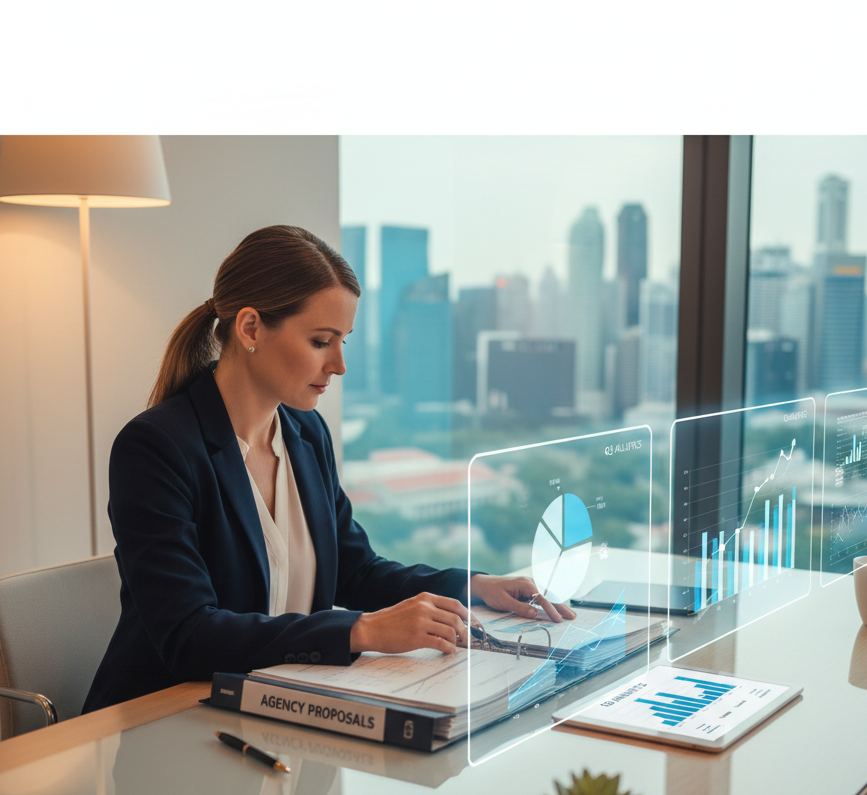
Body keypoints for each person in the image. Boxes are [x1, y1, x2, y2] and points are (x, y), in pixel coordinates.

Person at [83, 225, 572, 713]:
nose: (339, 364)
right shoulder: (155, 448)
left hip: (282, 710)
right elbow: (189, 636)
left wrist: (470, 585)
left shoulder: (305, 434)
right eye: (321, 341)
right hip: (167, 720)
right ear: (250, 328)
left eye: (344, 341)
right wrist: (363, 630)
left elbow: (355, 569)